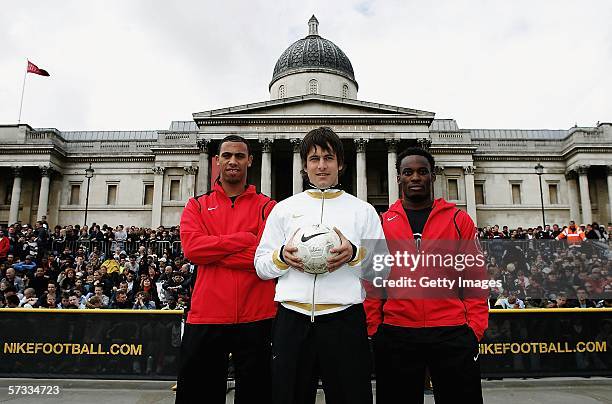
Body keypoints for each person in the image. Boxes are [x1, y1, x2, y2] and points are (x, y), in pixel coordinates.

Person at [255, 127, 385, 404]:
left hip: (344, 319)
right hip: (292, 320)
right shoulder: (284, 209)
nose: (322, 165)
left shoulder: (363, 211)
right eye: (314, 159)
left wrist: (353, 254)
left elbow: (383, 271)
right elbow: (261, 265)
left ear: (341, 163)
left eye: (328, 158)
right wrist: (281, 257)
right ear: (304, 166)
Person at [364, 147, 488, 404]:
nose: (416, 177)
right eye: (408, 172)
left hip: (452, 331)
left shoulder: (459, 220)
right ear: (398, 178)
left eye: (422, 172)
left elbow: (475, 278)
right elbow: (373, 281)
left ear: (433, 176)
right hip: (397, 333)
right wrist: (376, 329)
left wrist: (473, 329)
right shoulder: (382, 223)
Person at [176, 135, 276, 404]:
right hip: (207, 314)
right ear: (217, 160)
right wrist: (244, 239)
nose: (233, 161)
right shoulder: (195, 205)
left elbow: (265, 258)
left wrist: (214, 251)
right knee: (199, 395)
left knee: (258, 395)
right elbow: (193, 250)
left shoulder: (269, 207)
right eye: (227, 156)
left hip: (258, 314)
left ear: (250, 161)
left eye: (240, 156)